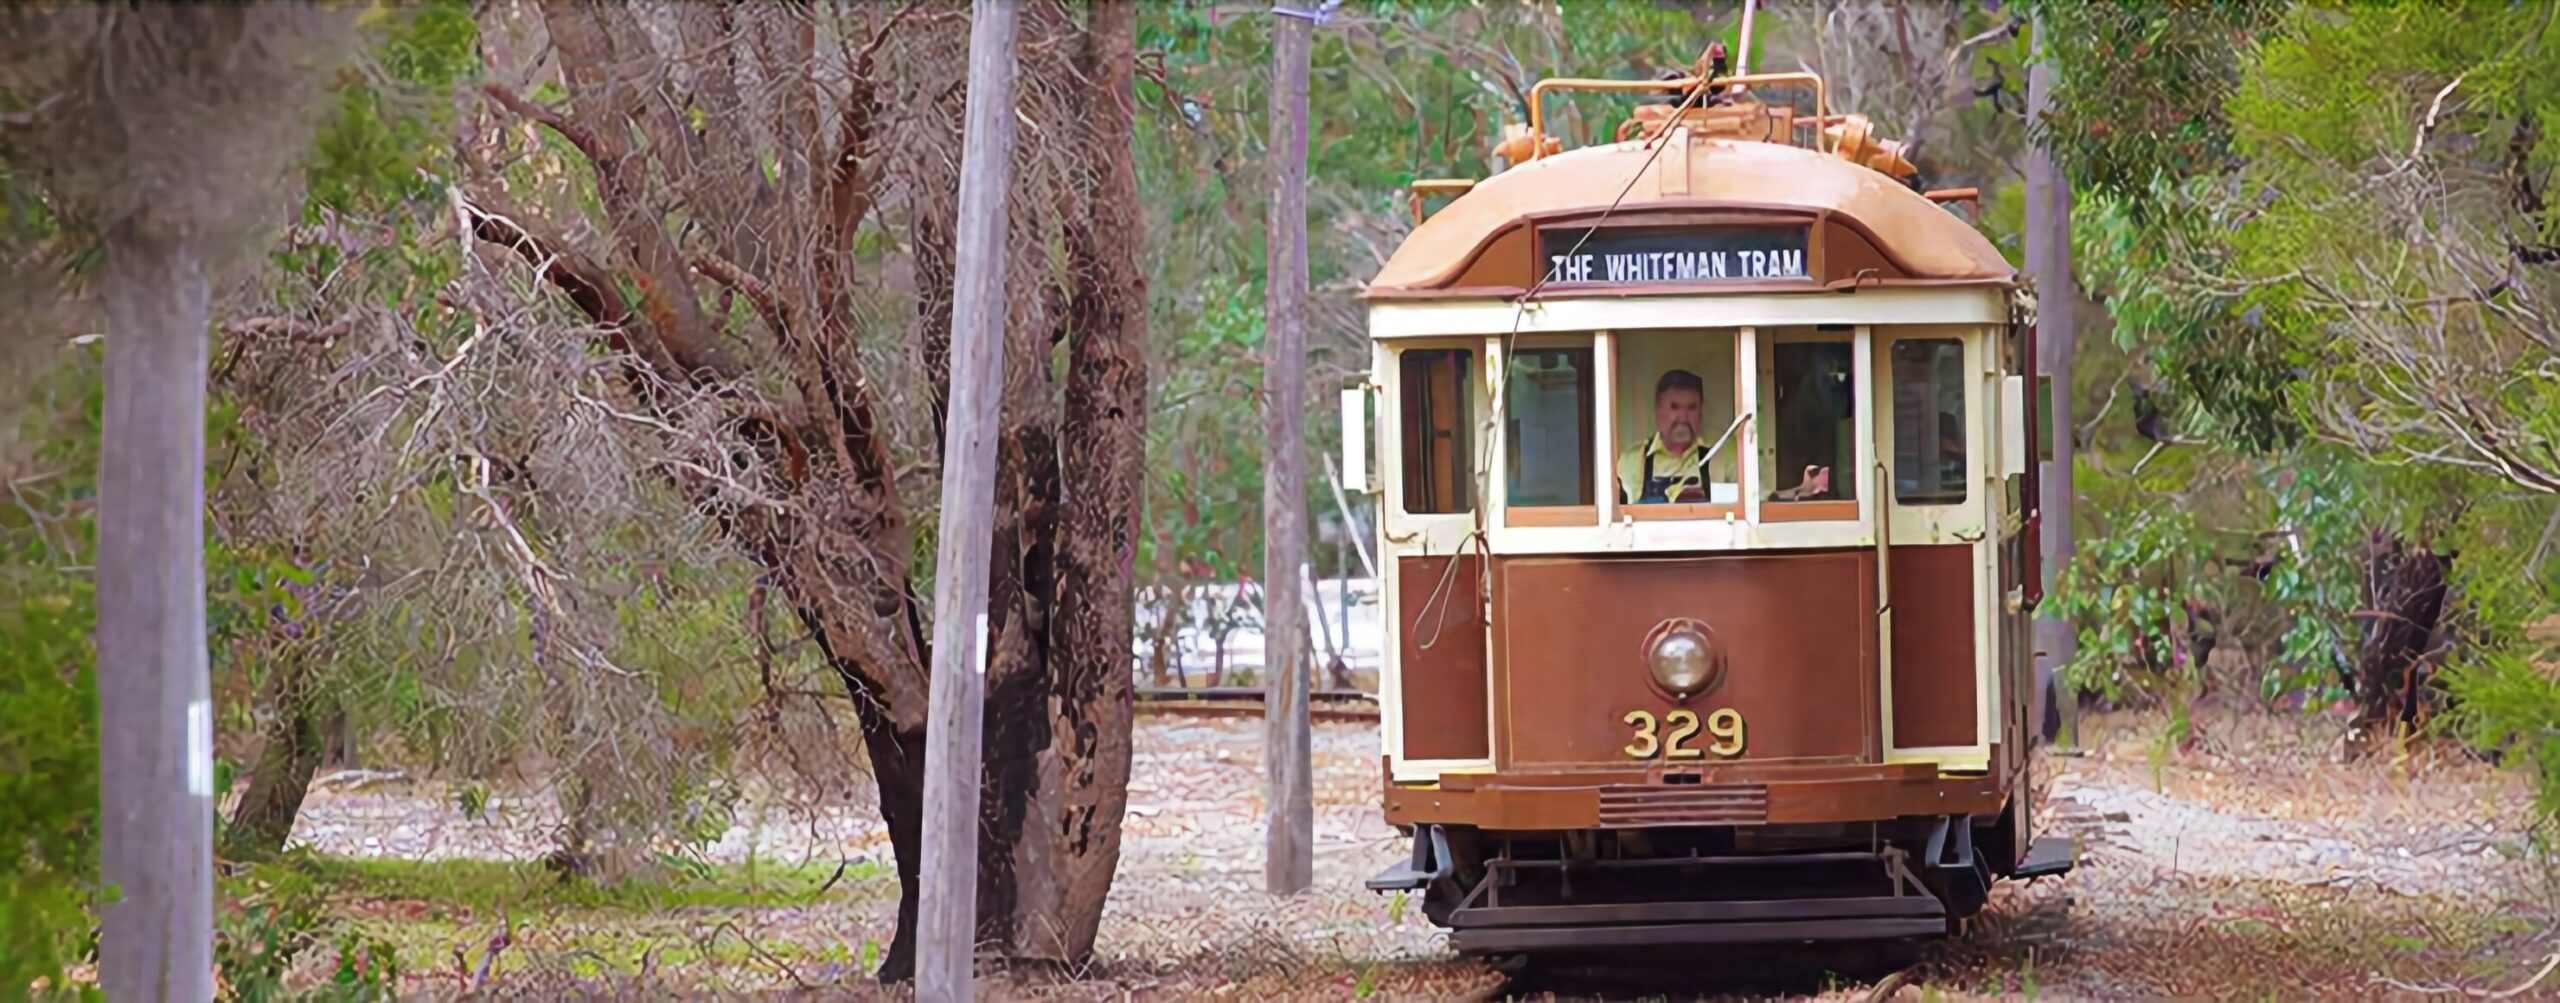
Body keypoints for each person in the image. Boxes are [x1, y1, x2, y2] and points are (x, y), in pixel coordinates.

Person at [1614, 369, 1833, 504]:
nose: (1682, 417)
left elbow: (1758, 502)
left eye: (1691, 407)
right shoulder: (1634, 459)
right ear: (1658, 409)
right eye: (1674, 407)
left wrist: (1803, 491)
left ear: (1701, 411)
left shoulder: (1724, 456)